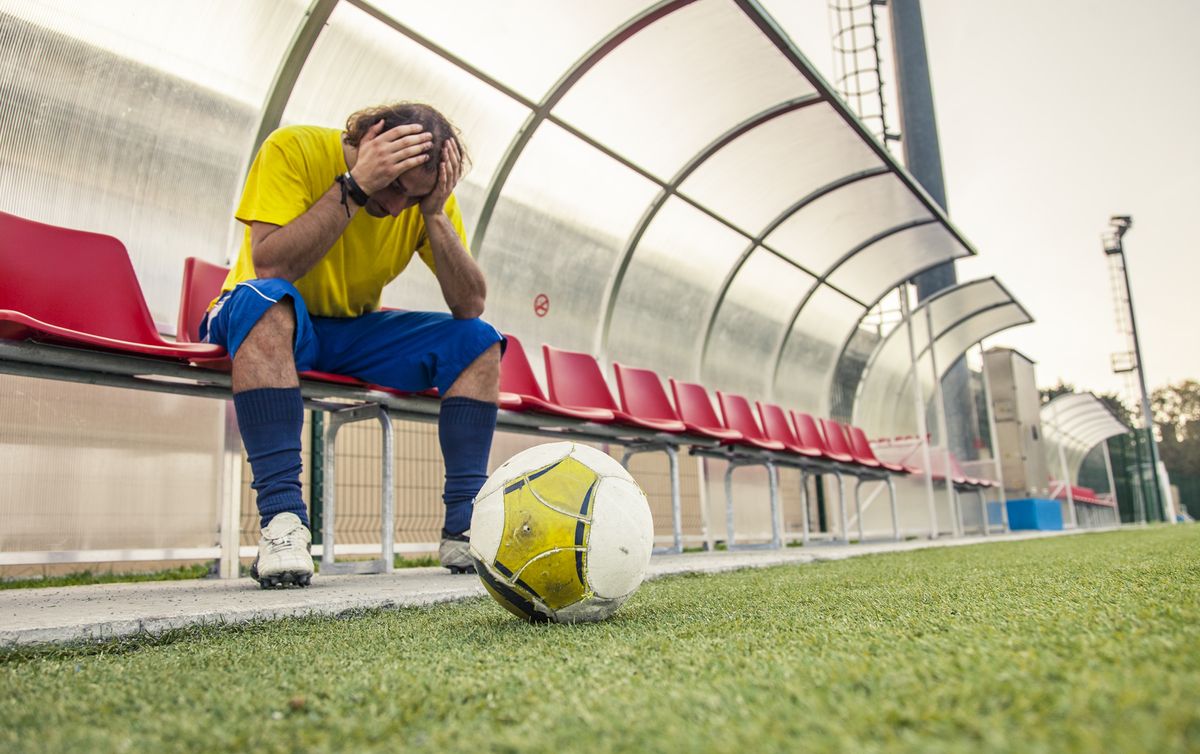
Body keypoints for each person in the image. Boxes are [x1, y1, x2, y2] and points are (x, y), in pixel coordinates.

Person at [202, 103, 504, 587]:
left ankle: (465, 527)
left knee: (477, 341)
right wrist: (357, 186)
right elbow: (272, 267)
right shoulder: (293, 147)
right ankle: (283, 523)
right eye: (395, 188)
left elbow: (470, 304)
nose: (397, 207)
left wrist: (435, 213)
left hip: (347, 329)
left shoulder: (422, 199)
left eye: (416, 196)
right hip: (259, 312)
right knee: (267, 299)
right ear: (368, 138)